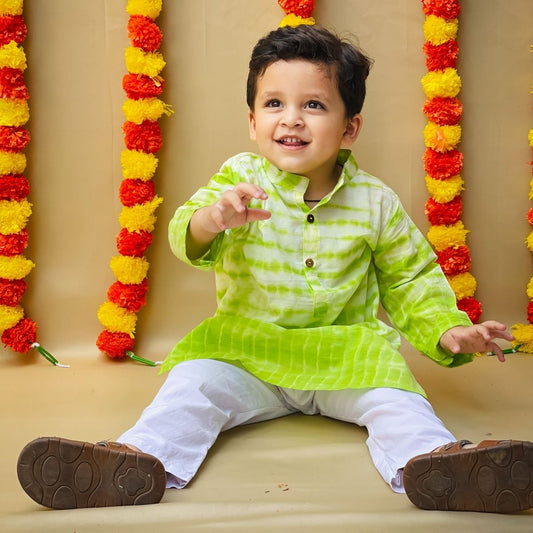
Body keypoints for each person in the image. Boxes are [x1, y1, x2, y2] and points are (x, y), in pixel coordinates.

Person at [17, 24, 533, 513]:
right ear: (251, 122)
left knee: (398, 402)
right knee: (192, 385)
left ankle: (438, 466)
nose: (291, 119)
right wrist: (211, 219)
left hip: (345, 357)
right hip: (249, 354)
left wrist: (449, 331)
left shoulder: (375, 202)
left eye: (313, 105)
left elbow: (410, 278)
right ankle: (134, 460)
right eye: (273, 104)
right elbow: (183, 235)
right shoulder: (239, 178)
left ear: (350, 126)